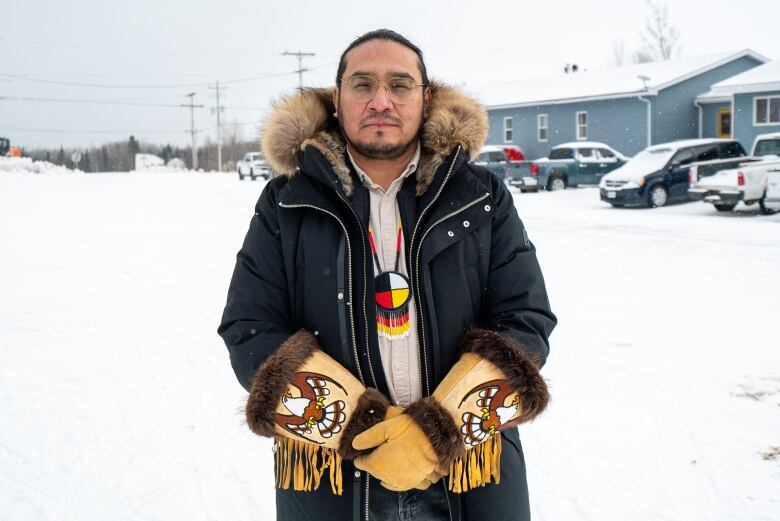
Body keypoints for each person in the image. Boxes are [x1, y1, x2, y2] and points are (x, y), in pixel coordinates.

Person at [218, 28, 557, 521]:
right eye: (362, 85)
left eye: (399, 85)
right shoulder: (285, 201)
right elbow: (249, 329)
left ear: (426, 97)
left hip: (470, 474)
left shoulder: (482, 195)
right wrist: (365, 428)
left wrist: (435, 432)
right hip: (330, 481)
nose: (381, 100)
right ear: (336, 100)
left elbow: (525, 321)